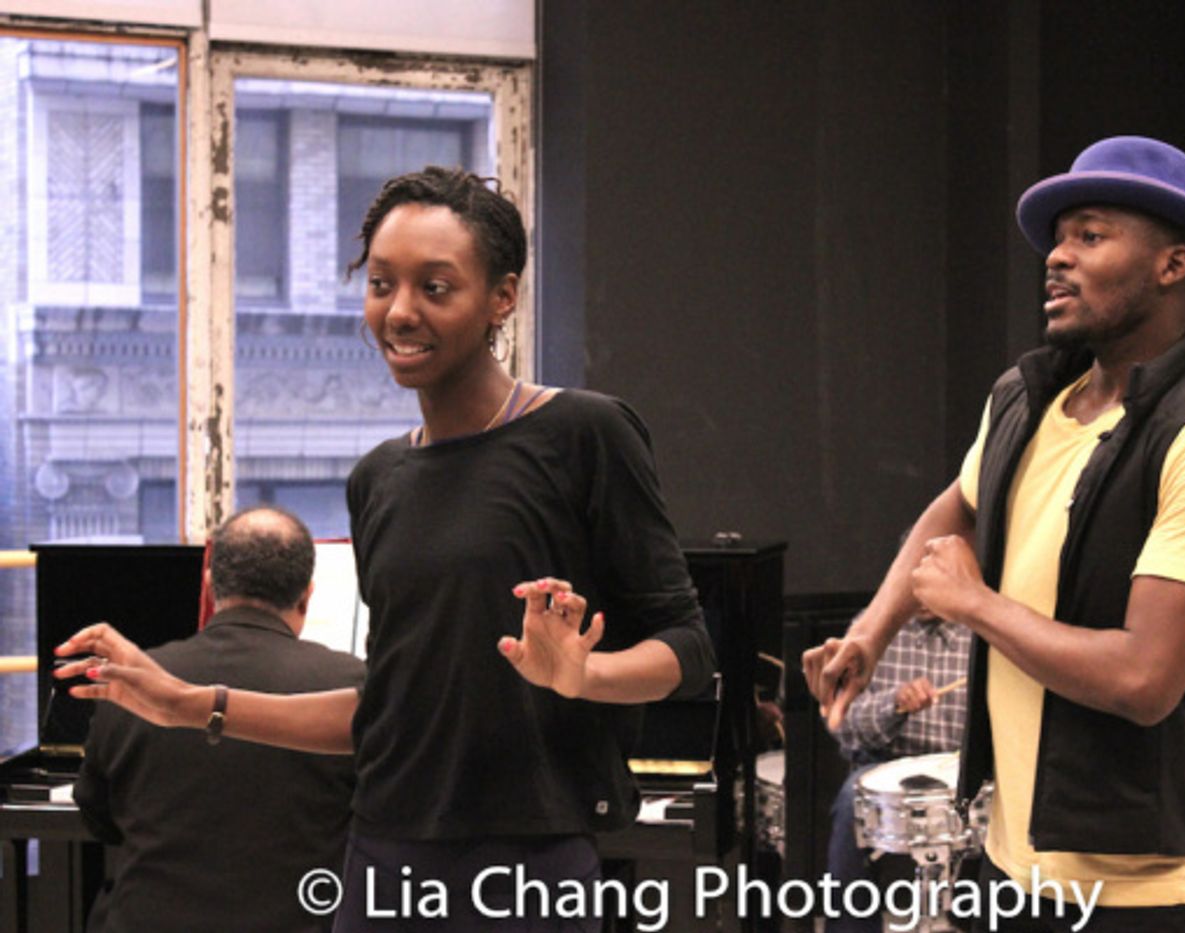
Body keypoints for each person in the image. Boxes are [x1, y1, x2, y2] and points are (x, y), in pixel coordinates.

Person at [57, 166, 715, 933]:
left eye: (435, 287)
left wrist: (583, 675)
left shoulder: (583, 433)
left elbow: (689, 648)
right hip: (380, 858)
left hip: (528, 864)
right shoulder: (378, 477)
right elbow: (386, 711)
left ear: (502, 296)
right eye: (380, 284)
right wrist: (185, 703)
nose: (399, 311)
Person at [803, 136, 1185, 932]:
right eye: (1058, 239)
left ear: (1172, 264)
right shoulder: (1025, 399)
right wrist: (872, 632)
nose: (1056, 258)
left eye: (1090, 236)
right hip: (1010, 858)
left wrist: (975, 604)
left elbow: (1143, 679)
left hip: (1138, 892)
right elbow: (954, 507)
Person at [75, 505, 366, 933]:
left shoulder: (136, 682)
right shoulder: (353, 688)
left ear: (210, 588)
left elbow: (98, 815)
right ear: (307, 595)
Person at [826, 613, 971, 933]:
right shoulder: (873, 629)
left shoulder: (981, 630)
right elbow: (845, 726)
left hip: (961, 765)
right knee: (850, 803)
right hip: (887, 762)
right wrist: (893, 704)